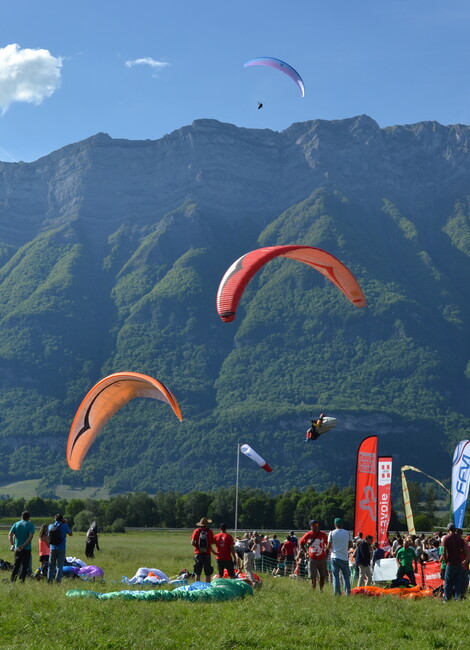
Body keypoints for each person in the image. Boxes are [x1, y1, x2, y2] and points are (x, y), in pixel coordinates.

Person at [299, 519, 328, 591]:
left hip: (322, 558)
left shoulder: (323, 534)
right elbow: (301, 543)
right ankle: (313, 590)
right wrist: (305, 552)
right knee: (312, 576)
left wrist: (326, 554)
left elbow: (327, 544)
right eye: (313, 525)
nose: (315, 527)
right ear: (310, 526)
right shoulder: (308, 535)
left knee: (323, 576)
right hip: (312, 558)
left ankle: (321, 589)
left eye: (316, 525)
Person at [9, 511, 35, 583]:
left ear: (21, 516)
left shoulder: (16, 524)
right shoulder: (30, 525)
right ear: (29, 517)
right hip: (26, 548)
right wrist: (23, 545)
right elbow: (30, 537)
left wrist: (12, 544)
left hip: (17, 548)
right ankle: (21, 581)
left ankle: (12, 580)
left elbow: (10, 534)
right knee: (24, 565)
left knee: (16, 565)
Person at [327, 517, 351, 596]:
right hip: (344, 557)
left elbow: (328, 546)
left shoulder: (331, 533)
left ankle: (337, 593)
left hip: (335, 556)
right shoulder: (347, 533)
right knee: (346, 577)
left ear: (335, 525)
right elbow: (350, 545)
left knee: (335, 577)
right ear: (342, 524)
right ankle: (347, 593)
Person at [47, 514, 72, 584]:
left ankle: (49, 580)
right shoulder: (64, 526)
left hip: (52, 548)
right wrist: (65, 523)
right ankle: (58, 581)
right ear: (62, 519)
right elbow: (70, 534)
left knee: (51, 565)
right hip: (61, 548)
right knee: (59, 566)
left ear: (55, 519)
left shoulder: (50, 526)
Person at [442, 523, 465, 601]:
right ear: (455, 529)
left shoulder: (446, 538)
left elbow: (444, 553)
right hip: (459, 563)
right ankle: (457, 598)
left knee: (448, 582)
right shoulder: (460, 539)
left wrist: (446, 562)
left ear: (448, 530)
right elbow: (465, 551)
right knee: (458, 582)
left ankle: (446, 598)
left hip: (450, 563)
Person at [191, 516, 215, 583]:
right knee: (208, 573)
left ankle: (197, 586)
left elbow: (192, 542)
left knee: (197, 572)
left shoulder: (196, 531)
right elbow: (212, 542)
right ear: (207, 524)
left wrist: (198, 547)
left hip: (198, 553)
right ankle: (207, 587)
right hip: (207, 554)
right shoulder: (210, 531)